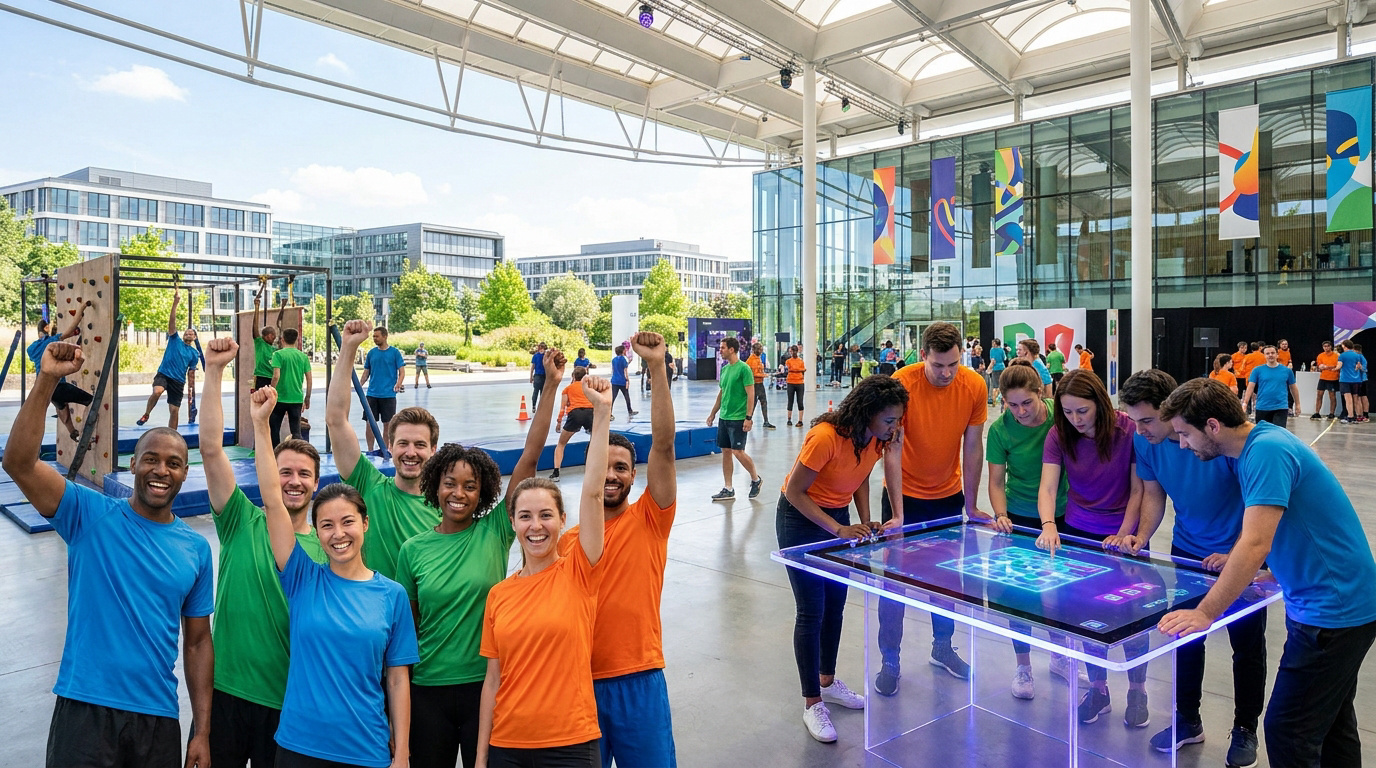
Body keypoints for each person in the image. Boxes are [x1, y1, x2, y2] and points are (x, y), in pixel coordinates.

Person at [5, 339, 213, 768]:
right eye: (150, 459)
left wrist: (202, 732)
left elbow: (196, 643)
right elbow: (19, 463)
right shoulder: (87, 513)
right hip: (85, 709)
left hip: (157, 716)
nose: (161, 470)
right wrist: (46, 380)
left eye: (173, 463)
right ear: (132, 465)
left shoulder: (195, 549)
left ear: (184, 473)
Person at [1158, 378, 1376, 768]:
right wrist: (1278, 572)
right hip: (1334, 602)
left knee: (1288, 731)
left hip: (1332, 612)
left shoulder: (1266, 451)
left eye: (1185, 434)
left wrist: (1205, 613)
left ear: (1212, 426)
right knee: (1331, 726)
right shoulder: (1262, 445)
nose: (1183, 445)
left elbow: (1255, 542)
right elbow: (1304, 524)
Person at [396, 350, 560, 768]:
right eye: (450, 483)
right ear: (435, 486)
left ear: (483, 491)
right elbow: (407, 631)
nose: (459, 493)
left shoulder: (495, 531)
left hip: (486, 687)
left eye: (470, 486)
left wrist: (551, 385)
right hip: (428, 688)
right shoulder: (413, 550)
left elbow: (530, 456)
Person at [251, 387, 419, 768]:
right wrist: (261, 425)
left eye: (347, 522)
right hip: (298, 747)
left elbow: (397, 680)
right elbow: (273, 499)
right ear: (317, 531)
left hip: (365, 749)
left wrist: (403, 753)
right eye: (326, 525)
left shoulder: (392, 596)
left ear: (365, 524)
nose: (338, 533)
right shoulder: (302, 579)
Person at [1119, 370, 1265, 767]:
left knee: (1246, 646)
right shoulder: (1145, 442)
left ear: (1171, 411)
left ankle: (1245, 727)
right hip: (1187, 552)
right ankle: (1187, 719)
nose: (1140, 429)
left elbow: (1256, 504)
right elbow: (1153, 494)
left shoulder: (1218, 443)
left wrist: (1236, 552)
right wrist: (1140, 536)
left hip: (1239, 553)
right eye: (1134, 420)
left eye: (1147, 420)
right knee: (1184, 638)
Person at [200, 336, 328, 767]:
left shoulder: (327, 551)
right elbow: (210, 449)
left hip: (289, 702)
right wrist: (214, 371)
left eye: (304, 474)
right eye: (284, 471)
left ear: (317, 483)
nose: (293, 481)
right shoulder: (240, 518)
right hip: (227, 692)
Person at [557, 332, 680, 768]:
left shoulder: (650, 519)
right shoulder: (567, 542)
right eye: (604, 466)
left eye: (622, 468)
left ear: (633, 476)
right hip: (579, 682)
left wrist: (657, 367)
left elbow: (663, 446)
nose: (611, 475)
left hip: (639, 677)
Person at [476, 378, 612, 768]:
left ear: (562, 520)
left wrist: (602, 413)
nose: (536, 526)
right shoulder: (499, 595)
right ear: (513, 523)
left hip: (571, 743)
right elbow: (493, 681)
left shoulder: (580, 570)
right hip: (507, 744)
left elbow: (593, 492)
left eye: (546, 515)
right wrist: (481, 757)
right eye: (525, 516)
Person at [777, 376, 907, 742]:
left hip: (837, 518)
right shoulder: (824, 438)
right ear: (868, 413)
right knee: (812, 610)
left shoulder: (874, 440)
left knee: (835, 605)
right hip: (800, 520)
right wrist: (838, 529)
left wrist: (865, 521)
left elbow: (860, 477)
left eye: (897, 419)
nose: (895, 427)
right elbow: (795, 491)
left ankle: (828, 681)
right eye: (889, 420)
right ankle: (812, 702)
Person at [874, 321, 988, 695]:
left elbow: (973, 446)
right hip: (903, 497)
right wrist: (898, 512)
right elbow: (892, 448)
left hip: (947, 497)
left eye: (953, 364)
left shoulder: (974, 385)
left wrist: (972, 504)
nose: (946, 373)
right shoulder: (902, 384)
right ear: (923, 355)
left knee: (947, 581)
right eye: (938, 365)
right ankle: (890, 659)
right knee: (895, 583)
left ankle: (943, 647)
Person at [1035, 368, 1145, 726]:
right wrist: (1049, 524)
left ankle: (1138, 690)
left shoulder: (1128, 431)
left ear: (1099, 403)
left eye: (1082, 410)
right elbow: (1048, 487)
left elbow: (1139, 489)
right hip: (1079, 530)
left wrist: (1125, 534)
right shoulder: (1059, 434)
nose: (1075, 419)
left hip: (1124, 534)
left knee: (1132, 615)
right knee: (1087, 616)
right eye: (1067, 412)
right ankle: (1098, 689)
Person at [985, 361, 1072, 700]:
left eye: (1027, 403)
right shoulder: (1000, 430)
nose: (1020, 411)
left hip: (1061, 514)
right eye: (1012, 404)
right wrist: (1001, 514)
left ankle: (1060, 655)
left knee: (1059, 591)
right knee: (1018, 596)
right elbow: (995, 481)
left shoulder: (1059, 418)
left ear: (1040, 393)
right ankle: (1023, 666)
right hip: (1020, 515)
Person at [329, 319, 440, 582]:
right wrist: (348, 348)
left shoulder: (446, 506)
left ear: (433, 450)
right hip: (374, 606)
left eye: (420, 445)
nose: (410, 452)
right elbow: (336, 419)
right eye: (403, 443)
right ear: (389, 446)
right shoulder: (370, 485)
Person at [707, 337, 761, 501]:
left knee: (738, 452)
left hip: (738, 418)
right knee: (726, 452)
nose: (720, 350)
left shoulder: (744, 369)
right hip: (724, 417)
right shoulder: (724, 370)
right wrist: (713, 413)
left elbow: (751, 394)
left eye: (722, 348)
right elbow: (722, 393)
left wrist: (748, 417)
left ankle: (756, 479)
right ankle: (728, 488)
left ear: (731, 349)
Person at [137, 291, 202, 428]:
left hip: (178, 381)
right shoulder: (175, 340)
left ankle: (172, 435)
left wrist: (191, 389)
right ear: (183, 335)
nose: (188, 333)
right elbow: (172, 322)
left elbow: (191, 372)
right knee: (157, 391)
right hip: (164, 374)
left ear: (194, 338)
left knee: (174, 411)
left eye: (191, 333)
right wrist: (175, 303)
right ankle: (147, 414)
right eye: (186, 332)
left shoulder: (194, 354)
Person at [26, 304, 91, 441]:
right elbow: (71, 327)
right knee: (92, 401)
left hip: (46, 390)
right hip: (59, 386)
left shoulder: (31, 348)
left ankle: (73, 432)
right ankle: (86, 430)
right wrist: (82, 308)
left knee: (62, 408)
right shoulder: (52, 342)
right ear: (46, 328)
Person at [361, 326, 406, 453]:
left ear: (385, 336)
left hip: (388, 395)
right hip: (372, 394)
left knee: (388, 424)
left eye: (377, 336)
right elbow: (366, 372)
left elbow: (402, 372)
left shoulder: (395, 353)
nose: (375, 338)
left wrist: (398, 384)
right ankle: (370, 450)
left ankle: (386, 450)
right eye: (373, 336)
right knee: (370, 422)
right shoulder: (371, 353)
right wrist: (359, 385)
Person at [269, 327, 312, 448]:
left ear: (282, 339)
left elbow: (276, 376)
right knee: (296, 431)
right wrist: (307, 397)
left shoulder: (278, 355)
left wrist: (271, 391)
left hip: (280, 398)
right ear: (297, 340)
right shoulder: (303, 357)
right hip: (296, 398)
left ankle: (276, 453)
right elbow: (309, 378)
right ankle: (299, 453)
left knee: (274, 429)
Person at [550, 366, 595, 482]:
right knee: (595, 442)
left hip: (575, 414)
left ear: (573, 376)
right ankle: (596, 469)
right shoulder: (590, 387)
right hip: (590, 413)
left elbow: (562, 407)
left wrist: (559, 422)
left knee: (561, 444)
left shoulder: (567, 389)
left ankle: (556, 473)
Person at [1244, 344, 1300, 427]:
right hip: (1262, 407)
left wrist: (1297, 404)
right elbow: (1250, 387)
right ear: (1264, 355)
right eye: (1267, 353)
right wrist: (1245, 403)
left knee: (1278, 431)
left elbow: (1293, 388)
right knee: (1263, 432)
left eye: (1273, 353)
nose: (1270, 355)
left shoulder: (1287, 371)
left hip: (1280, 407)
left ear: (1277, 355)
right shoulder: (1257, 370)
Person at [252, 292, 285, 389]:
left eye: (274, 335)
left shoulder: (275, 349)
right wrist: (257, 307)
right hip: (261, 377)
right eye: (272, 335)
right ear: (266, 336)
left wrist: (282, 307)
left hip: (272, 378)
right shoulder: (260, 343)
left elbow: (279, 323)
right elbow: (255, 328)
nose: (274, 337)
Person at [746, 341, 777, 429]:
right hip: (754, 384)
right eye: (760, 349)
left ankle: (765, 421)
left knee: (763, 402)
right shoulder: (752, 360)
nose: (761, 351)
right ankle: (748, 419)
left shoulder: (757, 359)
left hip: (760, 383)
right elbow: (753, 373)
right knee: (753, 403)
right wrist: (764, 375)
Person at [1312, 340, 1340, 419]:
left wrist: (1327, 367)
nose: (1326, 348)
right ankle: (1317, 412)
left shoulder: (1336, 356)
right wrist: (1321, 367)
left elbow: (1337, 366)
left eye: (1328, 346)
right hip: (1323, 378)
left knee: (1332, 396)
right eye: (1325, 346)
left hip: (1333, 378)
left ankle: (1331, 413)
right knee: (1319, 395)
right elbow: (1319, 366)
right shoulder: (1320, 355)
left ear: (1331, 347)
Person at [1338, 339, 1364, 424]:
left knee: (1348, 399)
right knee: (1356, 399)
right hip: (1356, 380)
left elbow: (1339, 366)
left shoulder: (1342, 355)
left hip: (1345, 380)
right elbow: (1358, 367)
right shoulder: (1357, 355)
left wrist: (1331, 368)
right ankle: (1357, 417)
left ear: (1344, 346)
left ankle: (1350, 416)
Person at [609, 343, 637, 420]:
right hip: (622, 380)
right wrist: (627, 380)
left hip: (615, 380)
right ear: (622, 351)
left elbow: (614, 370)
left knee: (613, 397)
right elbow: (625, 371)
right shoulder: (623, 360)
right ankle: (630, 410)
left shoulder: (614, 360)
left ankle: (609, 412)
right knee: (626, 395)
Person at [783, 345, 807, 426]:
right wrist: (798, 371)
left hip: (799, 383)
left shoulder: (800, 361)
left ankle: (800, 420)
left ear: (797, 351)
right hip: (791, 382)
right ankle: (789, 419)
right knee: (790, 401)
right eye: (792, 351)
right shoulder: (788, 361)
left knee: (800, 401)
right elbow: (787, 370)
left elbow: (802, 370)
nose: (793, 353)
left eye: (794, 351)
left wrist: (794, 370)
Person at [529, 342, 548, 411]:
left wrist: (531, 376)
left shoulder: (535, 356)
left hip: (537, 375)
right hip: (543, 376)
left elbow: (533, 367)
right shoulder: (546, 356)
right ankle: (541, 406)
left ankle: (534, 406)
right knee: (542, 392)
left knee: (536, 391)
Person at [987, 338, 1007, 404]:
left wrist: (989, 368)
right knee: (1001, 384)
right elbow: (1004, 358)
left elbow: (992, 359)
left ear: (995, 344)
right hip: (1002, 367)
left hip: (995, 368)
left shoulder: (992, 350)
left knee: (995, 385)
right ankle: (999, 398)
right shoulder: (1002, 350)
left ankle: (994, 400)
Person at [1357, 342, 1370, 422]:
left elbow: (1364, 369)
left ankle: (1361, 415)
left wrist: (1360, 367)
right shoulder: (1361, 357)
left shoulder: (1360, 357)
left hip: (1361, 380)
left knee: (1360, 397)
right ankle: (1364, 414)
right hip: (1361, 379)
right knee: (1362, 397)